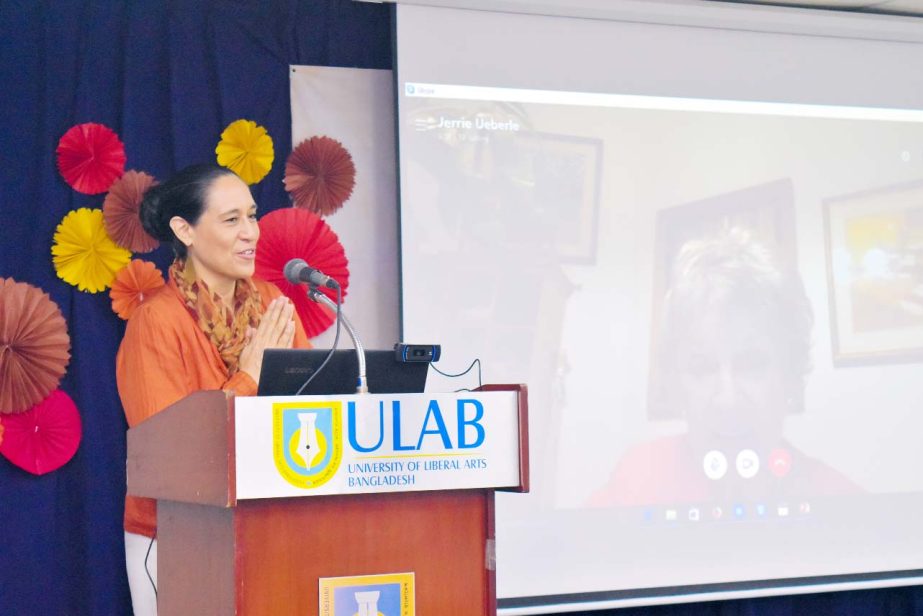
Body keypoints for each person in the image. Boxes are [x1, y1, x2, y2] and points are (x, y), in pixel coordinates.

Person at [115, 164, 310, 615]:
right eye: (231, 220)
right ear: (184, 230)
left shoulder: (273, 306)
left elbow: (315, 409)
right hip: (176, 531)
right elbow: (166, 453)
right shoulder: (156, 321)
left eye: (252, 215)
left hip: (271, 521)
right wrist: (248, 377)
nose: (251, 233)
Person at [591, 227, 859, 507]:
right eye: (702, 368)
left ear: (790, 376)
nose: (727, 401)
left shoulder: (841, 504)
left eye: (752, 364)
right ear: (677, 384)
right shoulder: (637, 479)